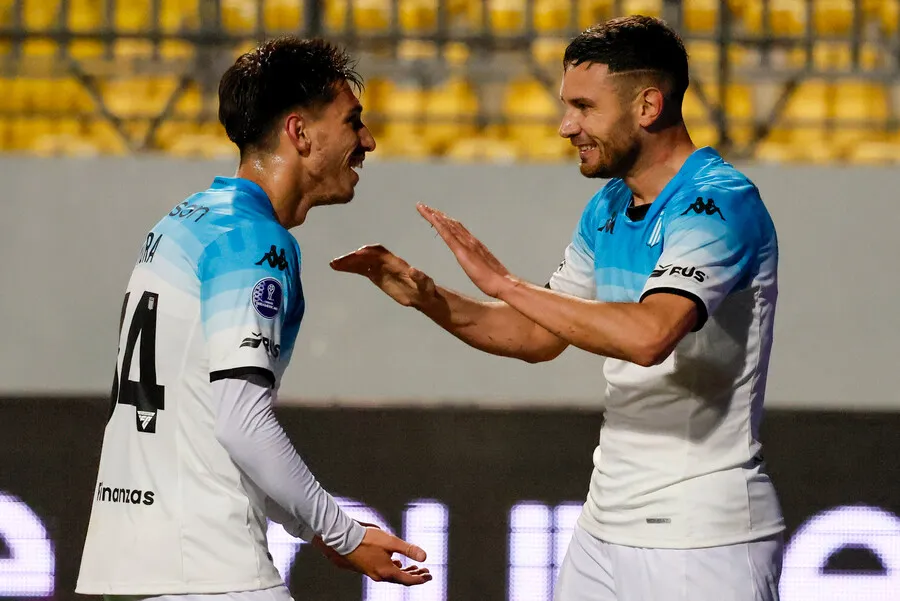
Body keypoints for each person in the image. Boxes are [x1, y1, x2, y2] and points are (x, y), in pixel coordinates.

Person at [331, 15, 784, 601]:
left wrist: (505, 283)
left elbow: (651, 335)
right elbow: (537, 335)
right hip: (603, 527)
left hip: (702, 537)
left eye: (584, 107)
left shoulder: (720, 204)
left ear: (648, 106)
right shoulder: (609, 206)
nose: (566, 125)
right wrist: (430, 298)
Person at [75, 36, 432, 601]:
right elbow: (240, 422)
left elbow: (194, 408)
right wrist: (341, 533)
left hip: (134, 563)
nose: (367, 140)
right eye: (353, 121)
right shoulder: (254, 242)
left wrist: (311, 528)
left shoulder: (183, 222)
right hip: (211, 571)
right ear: (300, 132)